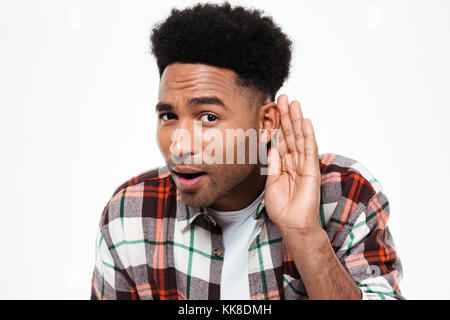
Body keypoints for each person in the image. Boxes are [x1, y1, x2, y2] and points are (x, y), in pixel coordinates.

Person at [90, 2, 403, 300]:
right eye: (168, 116)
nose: (179, 146)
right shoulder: (129, 215)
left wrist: (305, 235)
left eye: (208, 118)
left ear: (266, 122)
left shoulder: (345, 196)